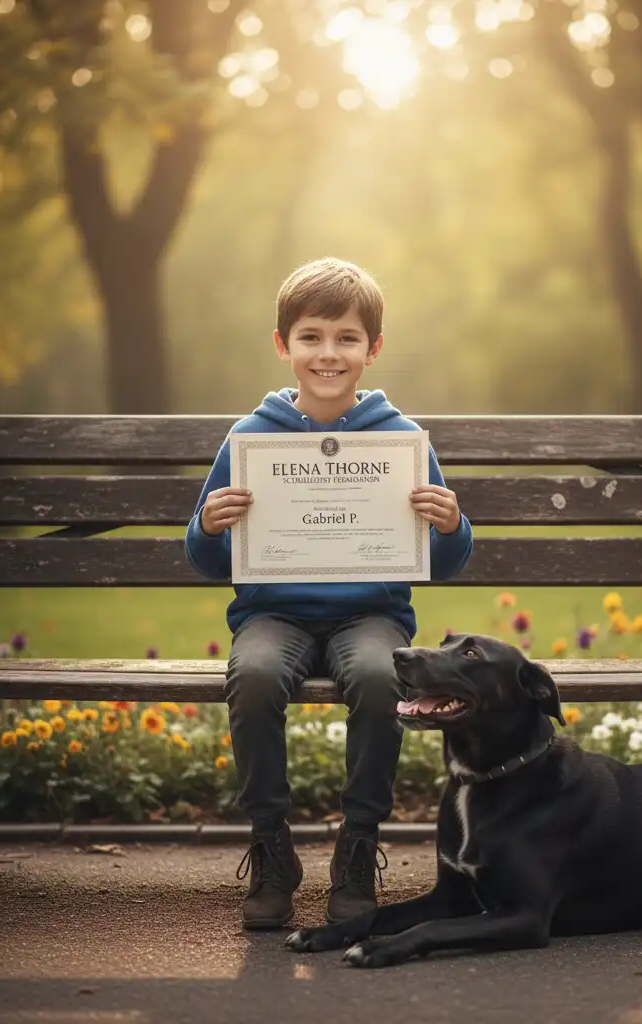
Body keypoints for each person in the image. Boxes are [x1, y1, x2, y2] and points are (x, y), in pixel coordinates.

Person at [185, 258, 474, 930]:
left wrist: (452, 523)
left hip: (370, 616)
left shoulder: (403, 441)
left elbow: (448, 561)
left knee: (382, 677)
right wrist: (207, 523)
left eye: (346, 338)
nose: (328, 353)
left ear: (372, 350)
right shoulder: (248, 439)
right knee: (253, 675)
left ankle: (358, 845)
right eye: (311, 336)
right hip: (273, 615)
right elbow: (203, 558)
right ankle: (272, 847)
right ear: (283, 345)